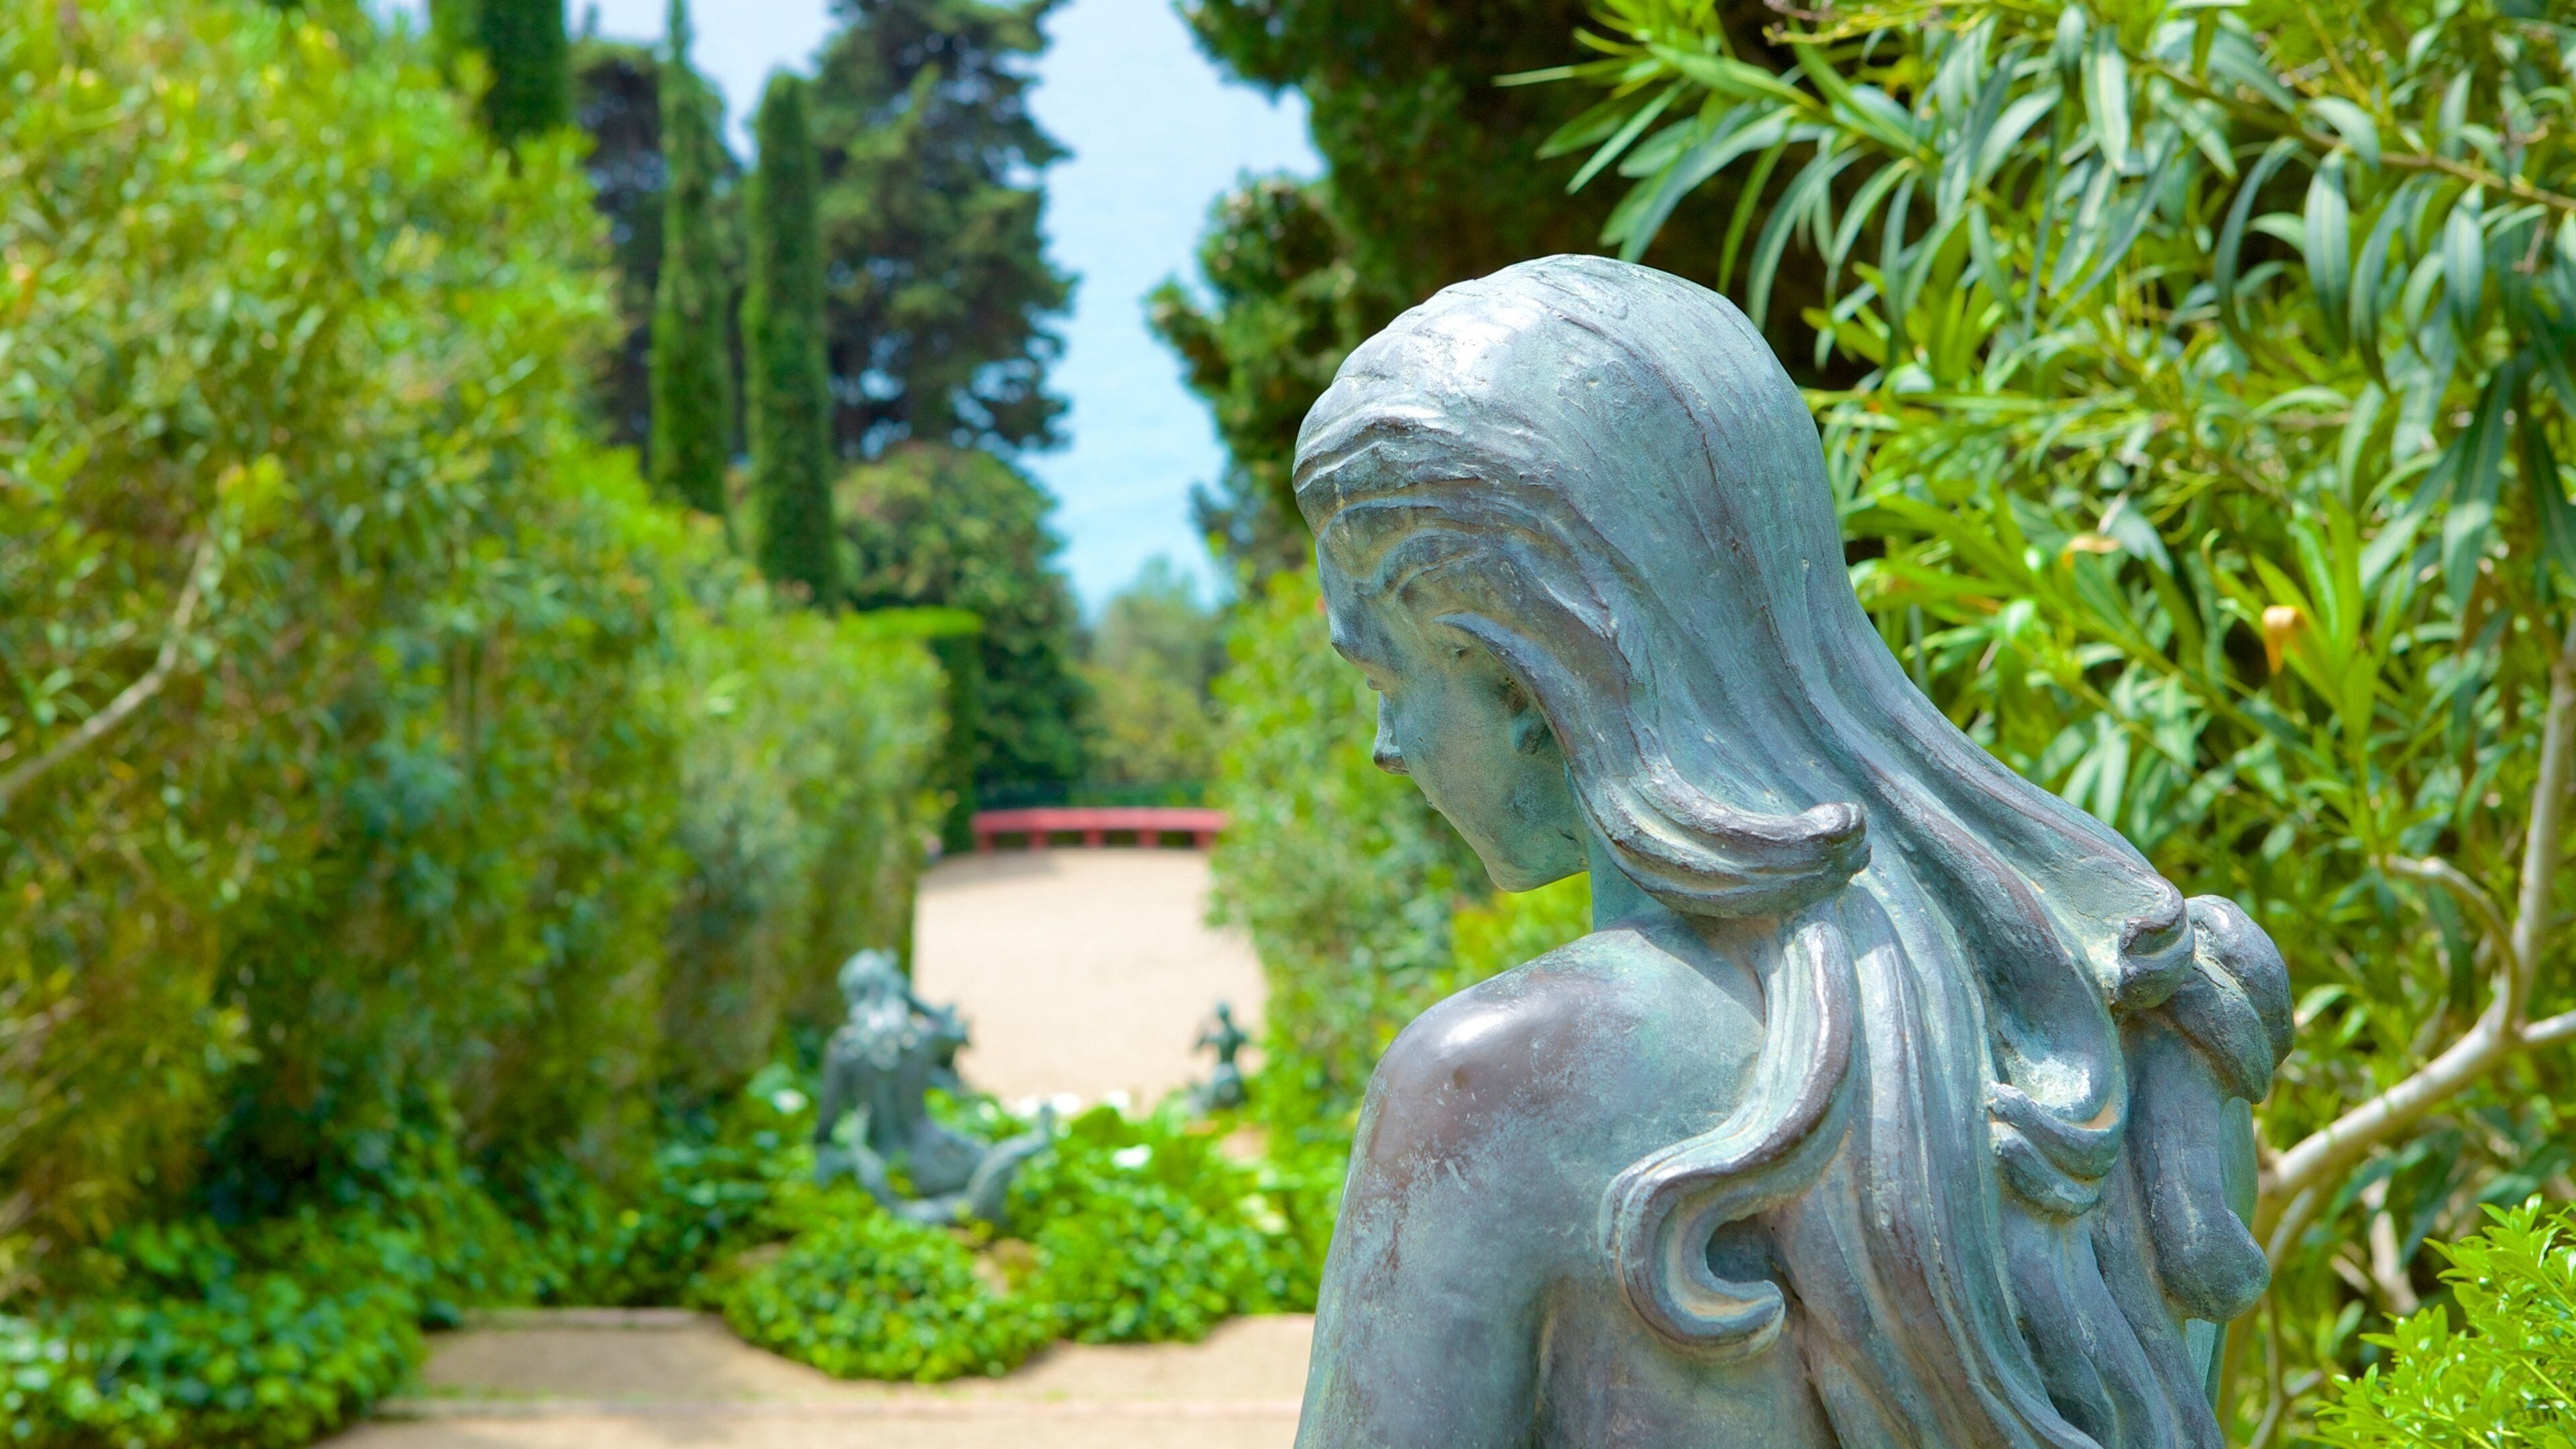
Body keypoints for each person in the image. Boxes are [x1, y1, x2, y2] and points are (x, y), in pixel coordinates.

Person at [1290, 256, 2289, 1449]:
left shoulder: (1489, 1092)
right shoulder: (2139, 1025)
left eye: (1382, 672)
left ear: (1522, 674)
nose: (1386, 747)